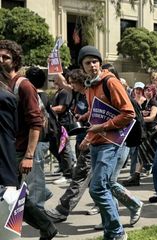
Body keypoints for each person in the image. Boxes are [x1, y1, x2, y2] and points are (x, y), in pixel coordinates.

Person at [0, 39, 57, 240]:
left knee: (10, 195)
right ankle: (46, 226)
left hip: (19, 151)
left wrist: (29, 156)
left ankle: (44, 226)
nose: (0, 60)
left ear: (15, 60)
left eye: (5, 57)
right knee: (11, 194)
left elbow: (36, 122)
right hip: (6, 149)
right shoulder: (3, 84)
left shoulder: (24, 86)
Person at [77, 45, 134, 240]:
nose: (92, 65)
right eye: (87, 62)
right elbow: (96, 117)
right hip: (96, 143)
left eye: (95, 61)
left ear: (100, 63)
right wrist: (87, 137)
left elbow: (128, 113)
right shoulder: (90, 86)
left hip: (112, 143)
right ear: (82, 66)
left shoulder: (111, 82)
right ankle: (111, 233)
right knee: (103, 187)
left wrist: (102, 128)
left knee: (98, 188)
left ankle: (117, 233)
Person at [45, 69, 93, 223]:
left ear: (80, 81)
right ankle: (131, 203)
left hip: (93, 139)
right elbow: (65, 86)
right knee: (98, 180)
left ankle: (62, 209)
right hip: (82, 136)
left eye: (73, 82)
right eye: (69, 82)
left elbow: (98, 114)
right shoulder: (76, 93)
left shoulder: (91, 92)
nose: (70, 85)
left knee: (80, 175)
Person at [25, 66, 53, 209]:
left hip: (37, 140)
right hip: (42, 139)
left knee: (35, 175)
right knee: (34, 174)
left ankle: (38, 210)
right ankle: (44, 193)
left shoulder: (34, 96)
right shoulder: (43, 96)